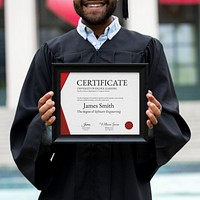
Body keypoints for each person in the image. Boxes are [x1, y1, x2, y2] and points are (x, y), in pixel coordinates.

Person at [10, 0, 191, 199]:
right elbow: (24, 133)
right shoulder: (50, 53)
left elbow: (171, 126)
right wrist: (45, 125)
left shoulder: (148, 49)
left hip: (125, 188)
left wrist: (152, 124)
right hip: (66, 189)